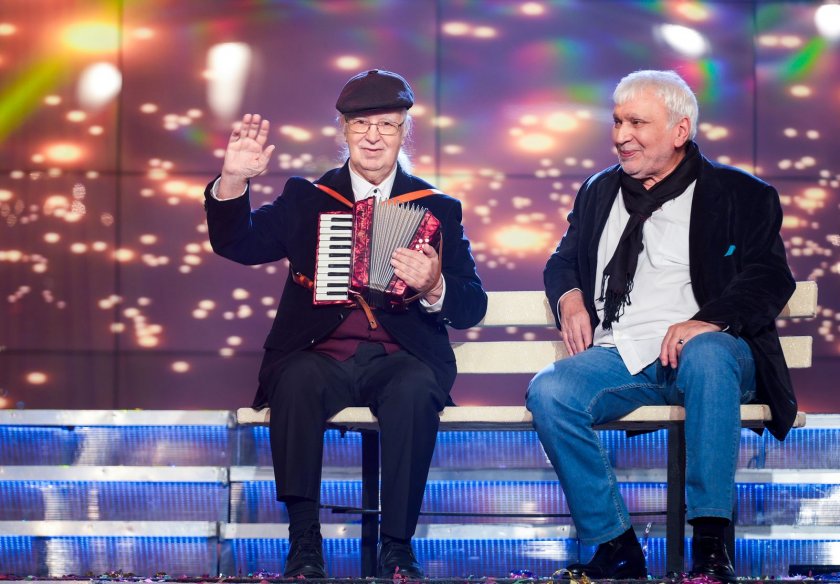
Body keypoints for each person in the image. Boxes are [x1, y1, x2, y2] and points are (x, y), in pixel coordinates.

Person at [204, 69, 487, 578]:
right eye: (361, 124)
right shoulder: (308, 198)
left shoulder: (437, 207)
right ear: (344, 130)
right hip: (320, 355)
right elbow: (237, 243)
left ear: (404, 130)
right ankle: (304, 544)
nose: (373, 136)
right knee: (295, 379)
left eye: (386, 124)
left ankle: (397, 548)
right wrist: (234, 181)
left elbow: (471, 305)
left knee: (415, 388)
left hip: (399, 359)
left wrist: (435, 284)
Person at [525, 70, 796, 582]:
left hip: (711, 354)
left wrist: (707, 321)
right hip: (623, 353)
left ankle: (710, 545)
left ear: (679, 130)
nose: (621, 135)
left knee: (708, 353)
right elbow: (562, 260)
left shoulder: (740, 193)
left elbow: (769, 276)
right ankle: (615, 546)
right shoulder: (599, 190)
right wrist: (570, 297)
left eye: (637, 123)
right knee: (550, 391)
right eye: (617, 122)